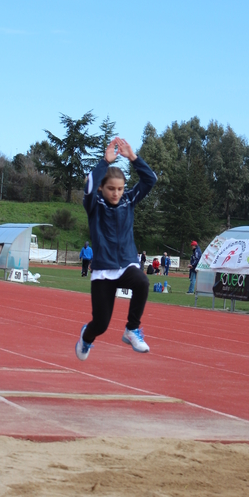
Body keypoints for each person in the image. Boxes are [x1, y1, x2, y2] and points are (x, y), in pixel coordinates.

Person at [75, 137, 157, 361]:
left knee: (142, 281)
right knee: (100, 324)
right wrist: (104, 161)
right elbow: (89, 185)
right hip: (103, 270)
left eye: (120, 189)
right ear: (103, 188)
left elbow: (151, 180)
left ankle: (132, 329)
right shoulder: (95, 204)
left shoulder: (129, 201)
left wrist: (133, 158)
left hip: (127, 264)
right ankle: (86, 338)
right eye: (111, 188)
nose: (116, 193)